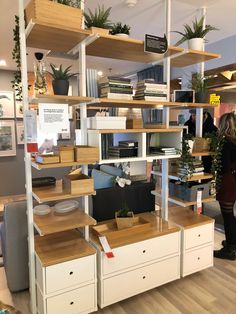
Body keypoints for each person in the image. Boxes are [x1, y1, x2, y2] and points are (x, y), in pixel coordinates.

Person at [214, 112, 236, 260]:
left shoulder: (224, 142)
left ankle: (230, 249)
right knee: (231, 215)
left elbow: (224, 167)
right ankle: (232, 242)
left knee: (227, 216)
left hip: (228, 181)